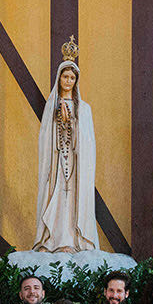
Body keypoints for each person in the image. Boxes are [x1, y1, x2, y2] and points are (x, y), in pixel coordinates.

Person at [32, 48, 99, 252]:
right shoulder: (51, 106)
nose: (68, 81)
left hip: (76, 164)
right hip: (56, 162)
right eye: (65, 76)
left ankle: (72, 241)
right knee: (56, 197)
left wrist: (73, 123)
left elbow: (89, 142)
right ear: (59, 78)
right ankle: (51, 240)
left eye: (72, 77)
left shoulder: (84, 109)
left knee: (72, 201)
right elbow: (44, 137)